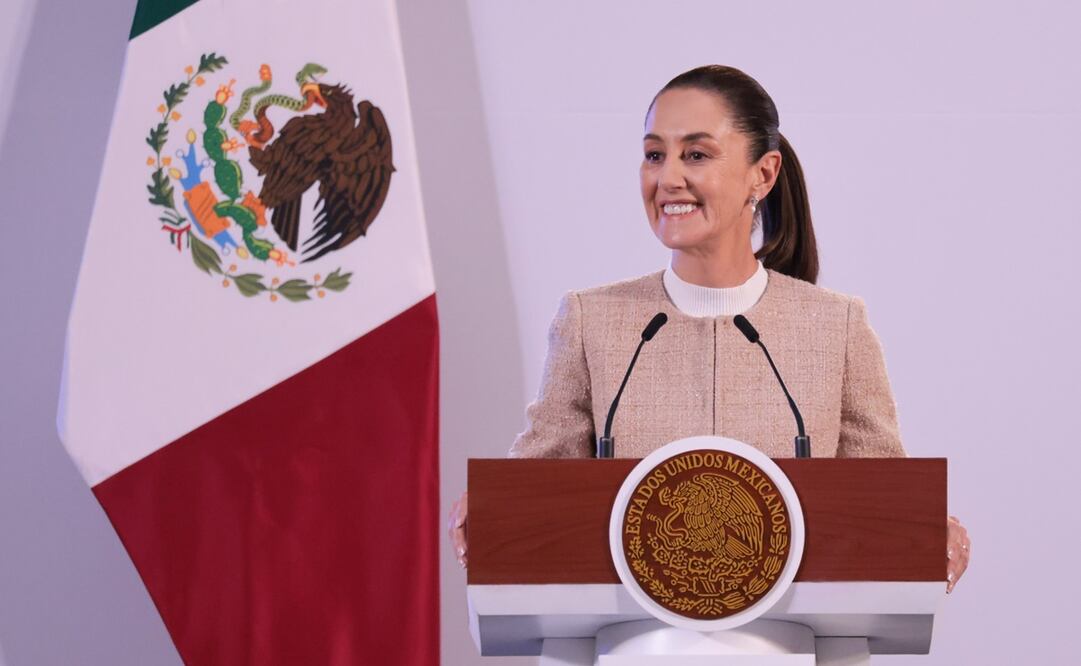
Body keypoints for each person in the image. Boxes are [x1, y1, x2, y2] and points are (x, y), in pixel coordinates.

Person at [449, 65, 970, 591]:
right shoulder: (593, 321)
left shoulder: (835, 327)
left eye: (695, 154)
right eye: (655, 155)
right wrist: (496, 505)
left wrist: (921, 527)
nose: (668, 177)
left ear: (762, 175)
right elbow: (538, 483)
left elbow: (880, 498)